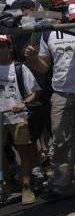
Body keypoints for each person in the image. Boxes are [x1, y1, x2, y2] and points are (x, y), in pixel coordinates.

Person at [24, 0, 75, 200]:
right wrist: (34, 58)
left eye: (69, 7)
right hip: (62, 94)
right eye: (61, 8)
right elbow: (44, 67)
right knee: (61, 142)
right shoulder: (47, 33)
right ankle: (62, 185)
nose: (66, 12)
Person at [0, 34, 41, 204]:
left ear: (10, 48)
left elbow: (35, 92)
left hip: (18, 117)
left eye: (3, 46)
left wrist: (23, 103)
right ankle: (7, 184)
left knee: (24, 152)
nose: (0, 50)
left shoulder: (19, 68)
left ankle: (26, 186)